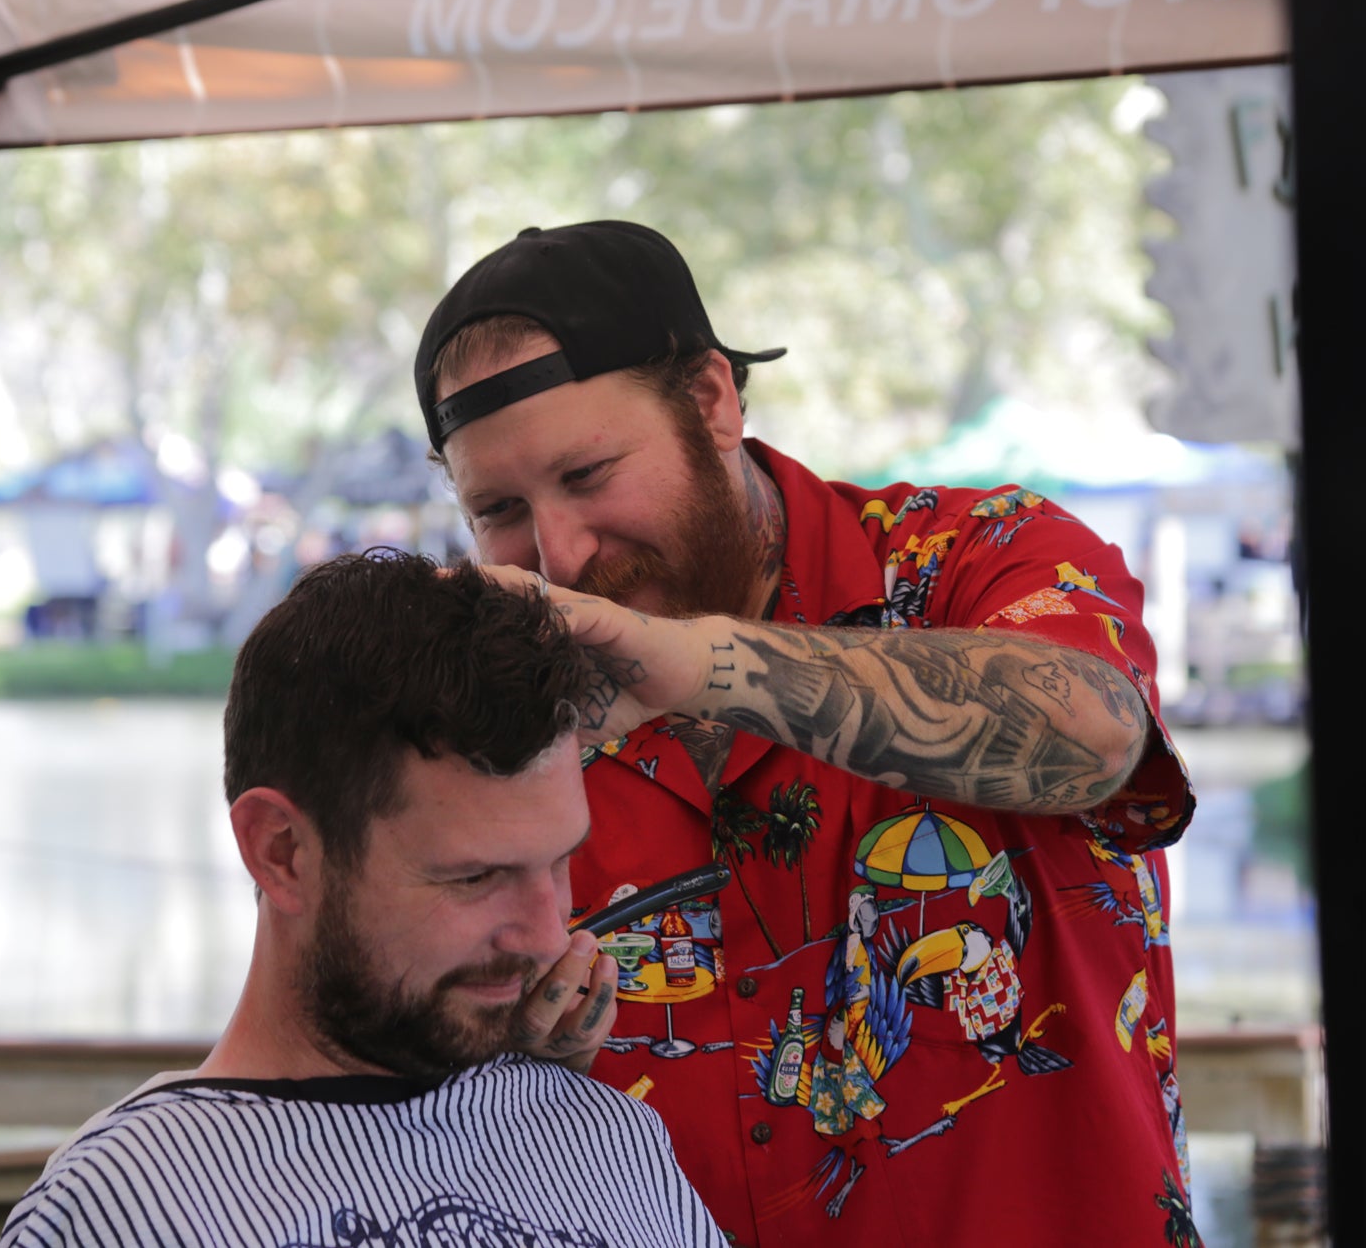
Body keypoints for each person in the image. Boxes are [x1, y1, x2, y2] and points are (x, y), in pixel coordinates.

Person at [414, 221, 1201, 1245]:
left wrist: (680, 656)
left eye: (589, 474)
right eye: (499, 510)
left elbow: (1090, 736)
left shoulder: (976, 558)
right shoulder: (501, 720)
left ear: (711, 400)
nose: (560, 552)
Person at [0, 551, 727, 1248]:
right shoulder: (127, 1207)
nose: (546, 935)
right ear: (281, 850)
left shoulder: (612, 1137)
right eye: (474, 877)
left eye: (561, 862)